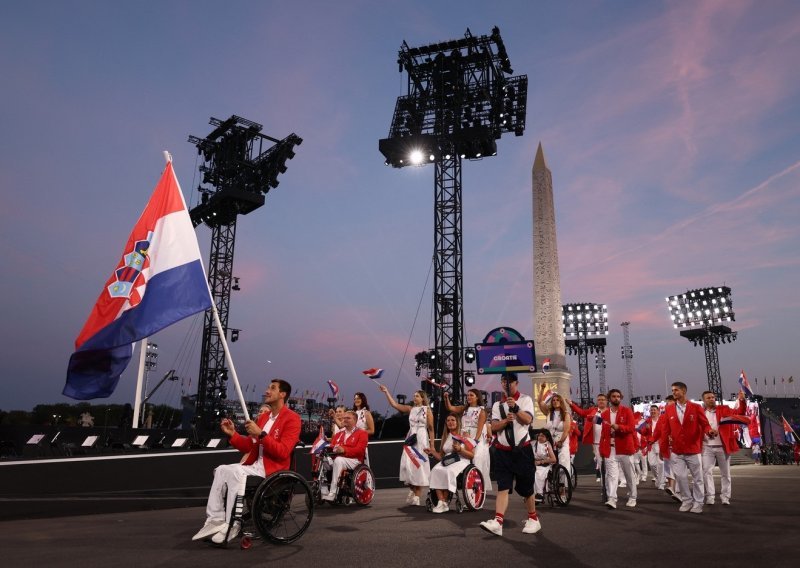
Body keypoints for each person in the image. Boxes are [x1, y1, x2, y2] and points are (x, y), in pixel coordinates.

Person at [192, 379, 301, 544]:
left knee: (235, 472)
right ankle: (215, 519)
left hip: (273, 471)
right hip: (256, 466)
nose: (267, 391)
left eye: (272, 388)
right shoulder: (263, 417)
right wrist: (233, 434)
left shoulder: (292, 418)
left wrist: (262, 434)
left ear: (282, 394)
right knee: (221, 469)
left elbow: (283, 452)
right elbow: (250, 445)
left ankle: (233, 523)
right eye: (268, 387)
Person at [479, 372, 541, 537]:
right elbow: (494, 427)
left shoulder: (525, 399)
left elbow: (527, 420)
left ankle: (533, 518)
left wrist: (516, 408)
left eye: (509, 382)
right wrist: (505, 421)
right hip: (502, 452)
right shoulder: (497, 405)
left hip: (523, 451)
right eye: (503, 382)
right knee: (503, 487)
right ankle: (498, 522)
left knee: (526, 488)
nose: (506, 385)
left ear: (516, 383)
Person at [659, 381, 712, 514]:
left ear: (684, 391)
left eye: (676, 390)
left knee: (698, 478)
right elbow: (665, 430)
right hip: (676, 450)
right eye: (672, 390)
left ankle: (698, 502)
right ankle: (687, 500)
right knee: (680, 477)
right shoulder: (669, 409)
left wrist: (709, 431)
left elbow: (705, 424)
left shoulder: (696, 407)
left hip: (693, 449)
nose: (673, 392)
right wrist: (663, 449)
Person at [379, 384, 434, 506]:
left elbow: (431, 429)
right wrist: (386, 391)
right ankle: (413, 490)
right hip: (410, 438)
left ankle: (417, 496)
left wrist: (432, 446)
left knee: (418, 466)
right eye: (414, 396)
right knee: (406, 466)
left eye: (417, 396)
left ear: (423, 398)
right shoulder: (410, 409)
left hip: (421, 438)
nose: (415, 398)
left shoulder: (427, 410)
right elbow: (395, 405)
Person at [701, 390, 746, 506]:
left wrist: (741, 400)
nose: (711, 399)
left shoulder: (724, 409)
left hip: (723, 446)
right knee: (706, 472)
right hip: (707, 447)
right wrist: (708, 432)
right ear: (704, 400)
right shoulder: (701, 412)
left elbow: (740, 412)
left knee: (725, 474)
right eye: (708, 398)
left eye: (712, 397)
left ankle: (725, 497)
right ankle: (710, 497)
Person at [443, 388, 491, 492]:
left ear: (477, 397)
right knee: (464, 460)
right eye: (468, 395)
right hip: (463, 437)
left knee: (476, 461)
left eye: (471, 395)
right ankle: (467, 488)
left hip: (475, 439)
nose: (468, 397)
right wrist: (446, 398)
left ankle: (478, 490)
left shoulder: (481, 411)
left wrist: (474, 442)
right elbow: (450, 408)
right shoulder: (464, 409)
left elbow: (480, 429)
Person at [426, 413, 474, 513]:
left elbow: (471, 455)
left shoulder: (464, 434)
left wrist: (460, 449)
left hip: (461, 460)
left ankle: (445, 501)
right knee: (435, 470)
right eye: (448, 420)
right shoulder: (446, 436)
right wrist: (432, 452)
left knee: (448, 471)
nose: (450, 422)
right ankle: (441, 502)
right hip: (448, 460)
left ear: (457, 422)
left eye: (453, 420)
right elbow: (441, 457)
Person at [598, 389, 637, 509]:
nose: (616, 398)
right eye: (614, 396)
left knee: (629, 475)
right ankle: (612, 499)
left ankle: (632, 497)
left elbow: (631, 428)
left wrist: (619, 427)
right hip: (611, 449)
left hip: (625, 448)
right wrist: (601, 448)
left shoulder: (627, 411)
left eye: (618, 396)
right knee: (612, 476)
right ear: (609, 398)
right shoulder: (604, 414)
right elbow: (603, 434)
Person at [322, 410, 369, 503]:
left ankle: (333, 492)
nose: (345, 420)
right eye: (344, 418)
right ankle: (323, 490)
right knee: (323, 460)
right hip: (338, 459)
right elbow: (332, 447)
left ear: (355, 420)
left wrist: (344, 450)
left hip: (354, 460)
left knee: (339, 460)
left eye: (348, 418)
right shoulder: (339, 434)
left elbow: (360, 451)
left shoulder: (362, 433)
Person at [570, 393, 609, 485]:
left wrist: (596, 420)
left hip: (608, 442)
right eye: (599, 399)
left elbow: (608, 424)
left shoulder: (610, 412)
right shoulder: (593, 410)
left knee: (609, 466)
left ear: (607, 401)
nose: (601, 401)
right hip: (596, 443)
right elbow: (582, 412)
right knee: (600, 465)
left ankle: (611, 486)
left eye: (603, 399)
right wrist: (571, 404)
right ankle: (605, 487)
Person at [537, 386, 572, 470]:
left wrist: (561, 441)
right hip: (550, 440)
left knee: (563, 462)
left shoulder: (566, 414)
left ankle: (565, 482)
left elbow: (566, 430)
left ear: (561, 402)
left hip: (562, 440)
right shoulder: (549, 412)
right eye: (553, 400)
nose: (555, 402)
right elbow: (540, 402)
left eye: (557, 400)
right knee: (550, 463)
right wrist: (542, 389)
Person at [533, 429, 557, 503]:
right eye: (539, 435)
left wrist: (541, 462)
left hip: (546, 465)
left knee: (538, 473)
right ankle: (531, 493)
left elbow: (553, 459)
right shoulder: (534, 444)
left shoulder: (547, 445)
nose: (540, 437)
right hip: (535, 464)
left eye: (542, 436)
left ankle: (539, 493)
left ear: (547, 438)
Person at [644, 405, 665, 489]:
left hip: (660, 444)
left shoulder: (662, 420)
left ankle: (661, 483)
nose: (653, 411)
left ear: (658, 411)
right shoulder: (647, 421)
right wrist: (645, 429)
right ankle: (657, 478)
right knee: (652, 464)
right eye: (651, 410)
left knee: (661, 464)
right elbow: (642, 432)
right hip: (651, 444)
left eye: (654, 410)